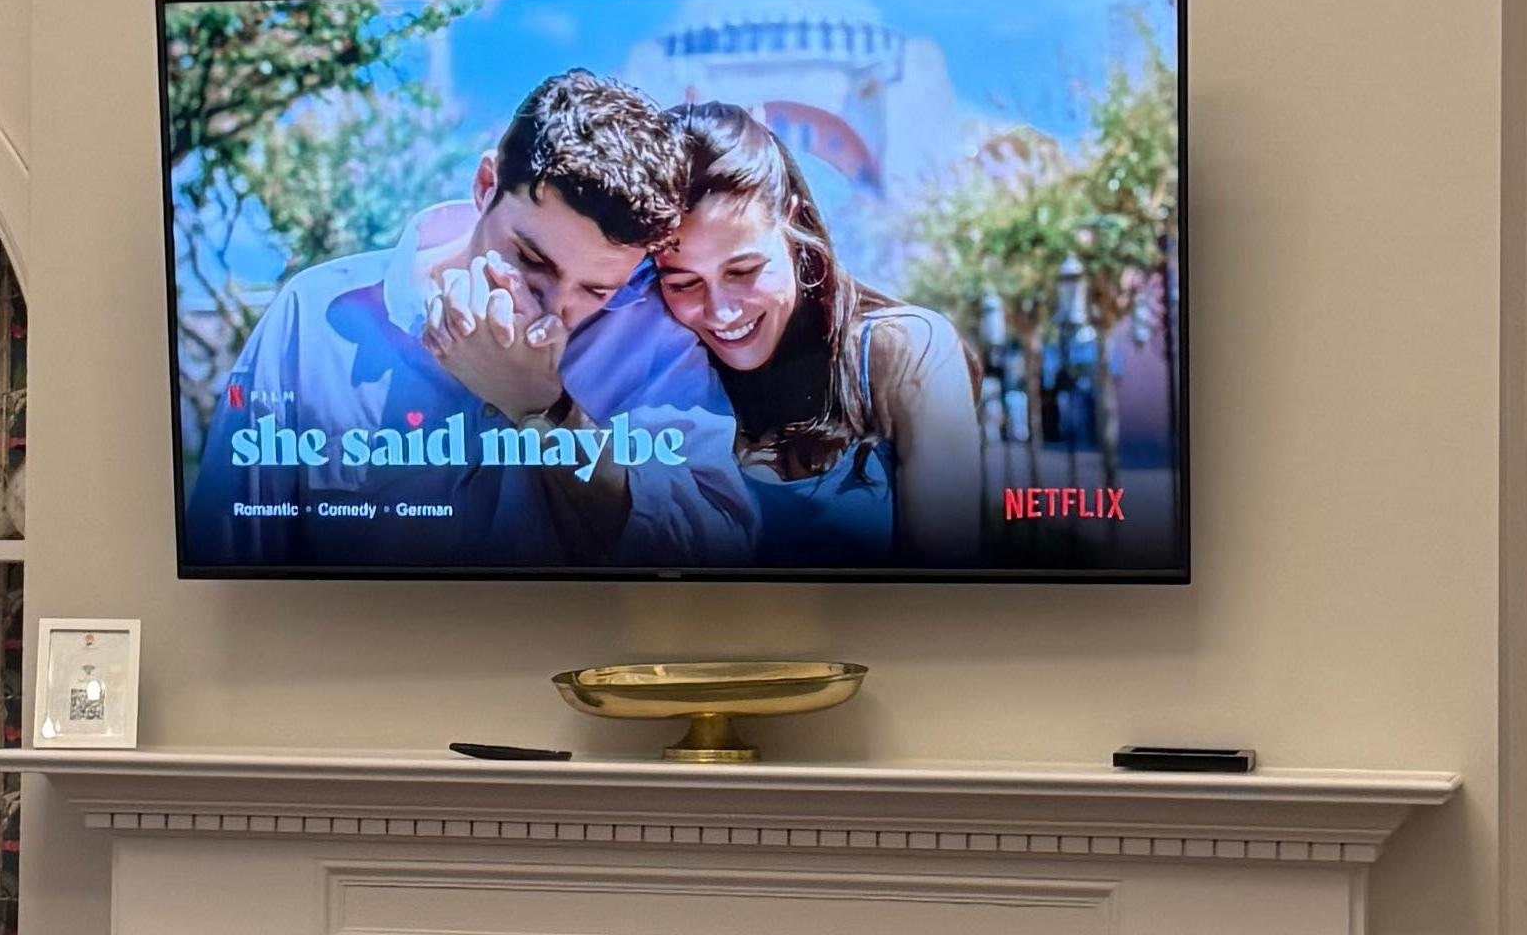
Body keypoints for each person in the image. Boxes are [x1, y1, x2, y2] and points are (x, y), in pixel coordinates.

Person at [186, 70, 755, 572]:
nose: (554, 308)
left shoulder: (650, 342)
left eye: (595, 290)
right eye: (531, 260)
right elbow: (230, 554)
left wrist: (546, 411)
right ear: (486, 186)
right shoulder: (315, 316)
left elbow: (717, 552)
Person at [645, 101, 987, 565]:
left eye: (743, 271)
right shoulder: (659, 372)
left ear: (791, 222)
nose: (721, 311)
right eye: (683, 283)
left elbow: (945, 582)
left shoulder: (905, 353)